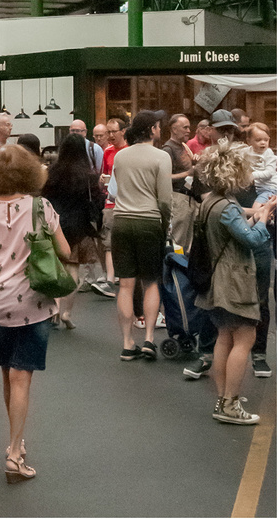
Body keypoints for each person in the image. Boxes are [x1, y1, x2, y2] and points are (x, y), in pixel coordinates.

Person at [0, 145, 70, 484]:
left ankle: (16, 439)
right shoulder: (41, 207)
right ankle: (13, 452)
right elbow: (65, 251)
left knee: (7, 371)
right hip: (32, 303)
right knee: (22, 377)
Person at [194, 140, 275, 424]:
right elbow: (251, 240)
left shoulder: (211, 202)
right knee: (245, 338)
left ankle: (224, 398)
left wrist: (259, 215)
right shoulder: (227, 206)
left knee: (224, 338)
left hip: (217, 282)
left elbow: (234, 234)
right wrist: (264, 219)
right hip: (234, 281)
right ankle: (229, 404)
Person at [111, 110, 171, 361]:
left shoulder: (121, 156)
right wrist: (165, 223)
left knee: (126, 284)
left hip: (121, 220)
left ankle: (127, 342)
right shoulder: (161, 156)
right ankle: (148, 338)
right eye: (158, 125)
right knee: (151, 282)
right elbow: (165, 199)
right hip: (148, 221)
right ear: (152, 129)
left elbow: (115, 190)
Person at [42, 134, 104, 329]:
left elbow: (44, 197)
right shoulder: (88, 175)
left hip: (55, 224)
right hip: (79, 225)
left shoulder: (51, 172)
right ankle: (66, 313)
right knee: (72, 269)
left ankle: (54, 308)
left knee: (55, 267)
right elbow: (97, 201)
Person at [91, 116, 128, 297]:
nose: (111, 135)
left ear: (123, 131)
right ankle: (109, 280)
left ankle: (123, 276)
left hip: (129, 202)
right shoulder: (107, 152)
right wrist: (102, 180)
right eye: (109, 132)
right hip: (111, 201)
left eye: (114, 131)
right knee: (108, 241)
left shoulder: (130, 151)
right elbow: (105, 173)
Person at [162, 114, 197, 250]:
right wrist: (188, 173)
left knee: (188, 242)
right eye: (185, 127)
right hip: (177, 199)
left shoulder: (183, 146)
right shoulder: (167, 149)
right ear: (174, 129)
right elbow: (164, 178)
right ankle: (174, 269)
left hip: (189, 198)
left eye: (189, 127)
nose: (189, 131)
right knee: (177, 241)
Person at [245, 122, 276, 203]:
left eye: (266, 140)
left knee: (256, 208)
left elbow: (270, 173)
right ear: (249, 141)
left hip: (268, 188)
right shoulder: (246, 151)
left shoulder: (268, 153)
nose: (263, 142)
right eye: (258, 140)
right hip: (253, 188)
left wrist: (252, 176)